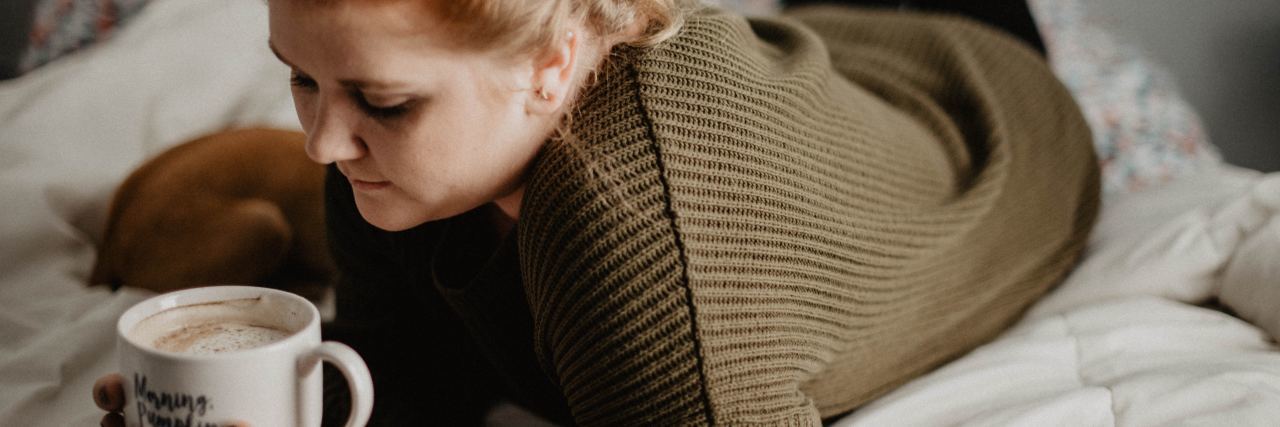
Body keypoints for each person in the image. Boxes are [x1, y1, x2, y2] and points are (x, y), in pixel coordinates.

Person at [95, 0, 1099, 425]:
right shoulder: (382, 169)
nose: (321, 141)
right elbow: (408, 370)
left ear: (552, 62)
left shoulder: (634, 241)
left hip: (986, 111)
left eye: (384, 102)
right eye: (301, 80)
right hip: (822, 60)